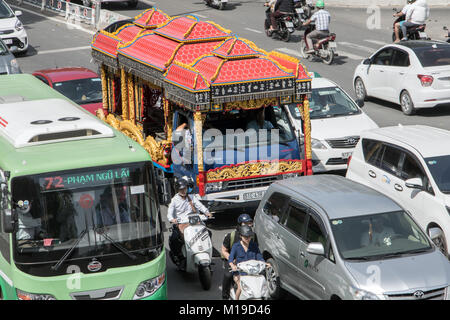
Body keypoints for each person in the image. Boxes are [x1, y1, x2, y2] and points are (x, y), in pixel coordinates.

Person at [167, 179, 212, 263]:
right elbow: (169, 213)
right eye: (181, 189)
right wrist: (172, 219)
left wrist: (207, 212)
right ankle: (178, 255)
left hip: (194, 221)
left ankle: (206, 249)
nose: (183, 191)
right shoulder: (174, 200)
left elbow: (200, 206)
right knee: (175, 239)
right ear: (177, 190)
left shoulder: (191, 197)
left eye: (185, 188)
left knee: (208, 233)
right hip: (182, 223)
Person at [228, 225, 267, 300]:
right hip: (240, 273)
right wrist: (232, 265)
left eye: (249, 237)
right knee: (240, 287)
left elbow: (259, 256)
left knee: (262, 286)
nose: (248, 239)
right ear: (240, 236)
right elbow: (230, 258)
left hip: (254, 273)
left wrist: (264, 263)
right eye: (246, 237)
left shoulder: (254, 245)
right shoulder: (236, 246)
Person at [221, 214, 254, 300]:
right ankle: (225, 296)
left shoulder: (253, 236)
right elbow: (224, 251)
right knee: (228, 276)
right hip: (232, 261)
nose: (248, 225)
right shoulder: (230, 236)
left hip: (246, 261)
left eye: (250, 222)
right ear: (240, 224)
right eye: (245, 223)